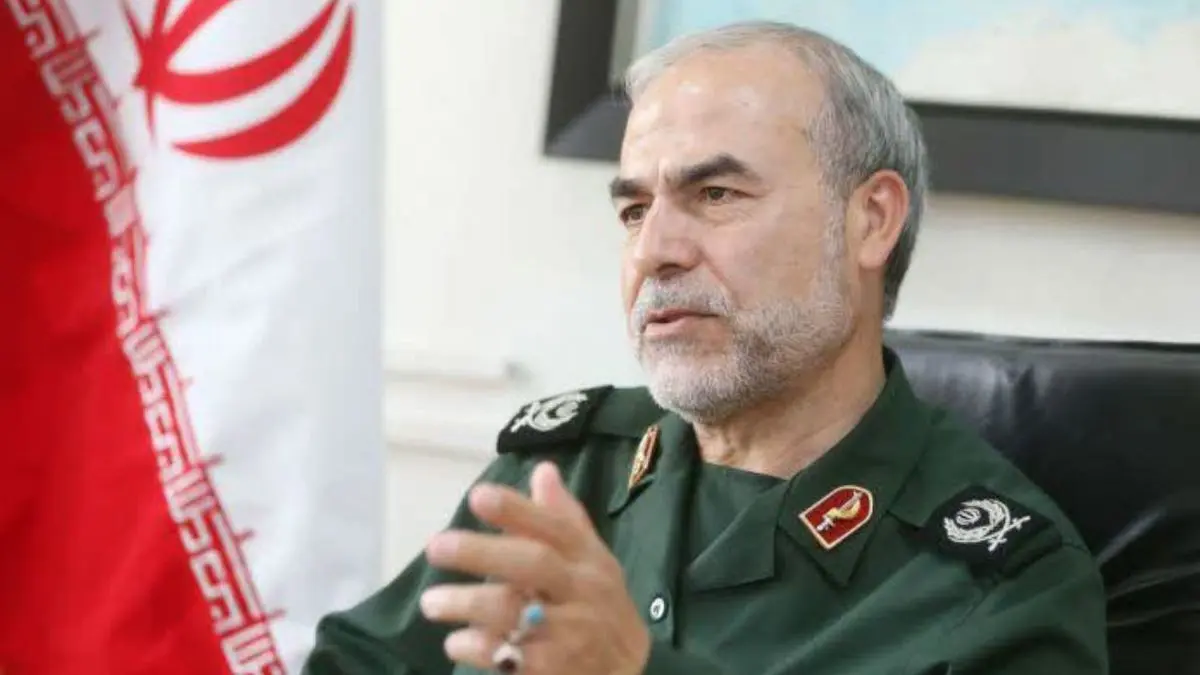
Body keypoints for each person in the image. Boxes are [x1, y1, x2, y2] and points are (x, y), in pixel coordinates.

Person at [302, 20, 1108, 675]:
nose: (655, 250)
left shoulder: (1001, 583)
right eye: (634, 210)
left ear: (871, 221)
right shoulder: (563, 474)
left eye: (715, 194)